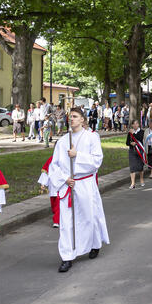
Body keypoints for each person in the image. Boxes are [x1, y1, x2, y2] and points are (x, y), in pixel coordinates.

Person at [48, 107, 109, 273]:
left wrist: (78, 155)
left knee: (89, 217)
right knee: (66, 223)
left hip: (85, 184)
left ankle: (94, 244)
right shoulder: (62, 141)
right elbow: (54, 165)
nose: (72, 119)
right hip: (68, 185)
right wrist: (64, 179)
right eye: (70, 117)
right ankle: (67, 256)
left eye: (75, 116)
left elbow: (97, 161)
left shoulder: (91, 138)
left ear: (82, 119)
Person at [38, 156, 60, 228]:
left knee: (58, 203)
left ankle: (56, 221)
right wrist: (43, 183)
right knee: (53, 203)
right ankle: (57, 216)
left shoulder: (66, 157)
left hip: (62, 183)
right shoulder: (51, 159)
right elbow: (45, 172)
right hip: (52, 184)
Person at [125, 120, 145, 188]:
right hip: (132, 151)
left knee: (140, 166)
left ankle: (141, 180)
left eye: (137, 123)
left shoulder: (142, 132)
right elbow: (127, 142)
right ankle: (133, 183)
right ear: (132, 125)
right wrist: (131, 143)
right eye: (134, 124)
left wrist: (134, 134)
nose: (135, 125)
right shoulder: (130, 133)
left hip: (139, 150)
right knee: (132, 167)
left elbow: (140, 138)